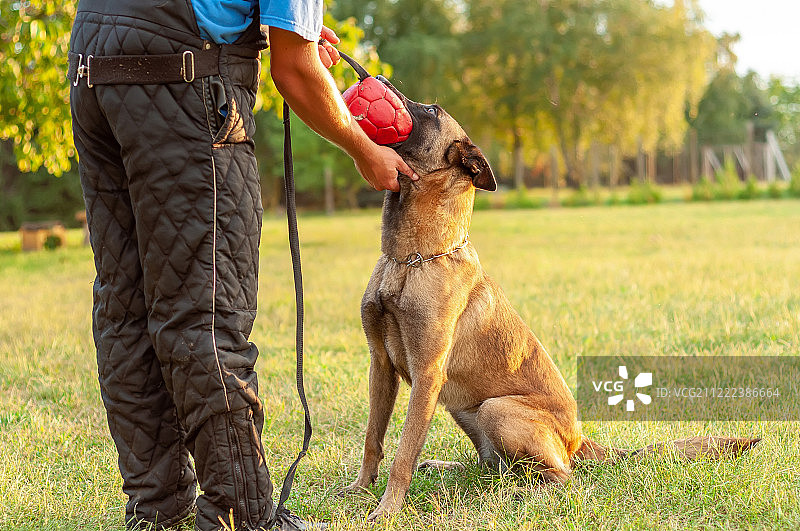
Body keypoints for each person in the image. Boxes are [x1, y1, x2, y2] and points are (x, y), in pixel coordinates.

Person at [69, 0, 417, 529]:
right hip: (184, 80)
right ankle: (243, 514)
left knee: (125, 301)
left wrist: (280, 28)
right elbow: (295, 71)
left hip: (92, 62)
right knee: (206, 310)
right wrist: (363, 148)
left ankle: (157, 504)